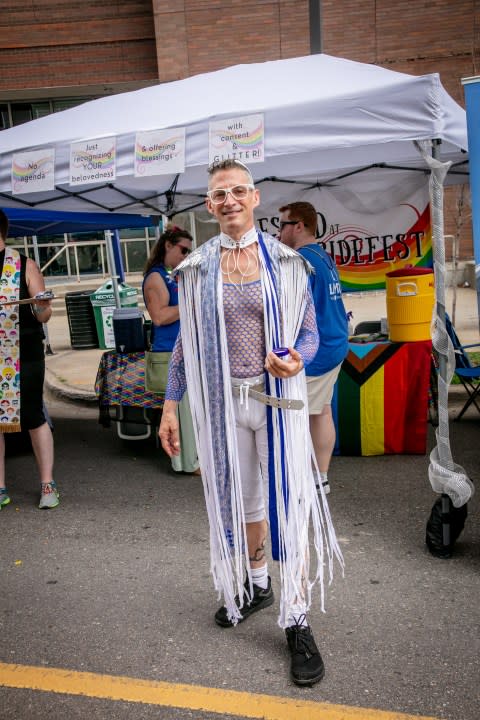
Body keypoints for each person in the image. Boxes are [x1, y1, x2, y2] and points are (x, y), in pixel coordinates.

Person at [159, 160, 343, 686]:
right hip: (222, 405)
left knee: (289, 503)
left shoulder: (287, 264)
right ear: (209, 205)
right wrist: (170, 407)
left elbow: (308, 332)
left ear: (255, 198)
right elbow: (184, 346)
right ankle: (258, 583)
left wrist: (298, 359)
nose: (230, 200)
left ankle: (297, 618)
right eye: (220, 194)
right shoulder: (196, 268)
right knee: (246, 504)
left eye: (239, 191)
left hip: (276, 402)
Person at [278, 202, 349, 496]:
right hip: (333, 342)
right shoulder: (321, 256)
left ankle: (301, 478)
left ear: (298, 226)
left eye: (281, 225)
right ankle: (319, 477)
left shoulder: (300, 261)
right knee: (320, 412)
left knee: (293, 414)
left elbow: (289, 311)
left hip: (315, 350)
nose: (278, 231)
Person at [0, 209, 58, 510]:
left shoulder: (24, 264)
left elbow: (44, 313)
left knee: (33, 415)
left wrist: (41, 305)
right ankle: (0, 488)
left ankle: (47, 484)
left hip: (25, 353)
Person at [143, 225, 200, 475]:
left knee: (190, 409)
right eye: (183, 250)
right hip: (170, 351)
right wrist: (190, 304)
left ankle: (192, 459)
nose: (186, 256)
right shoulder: (156, 277)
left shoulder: (170, 273)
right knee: (182, 412)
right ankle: (187, 462)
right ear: (168, 245)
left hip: (185, 348)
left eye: (189, 251)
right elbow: (158, 316)